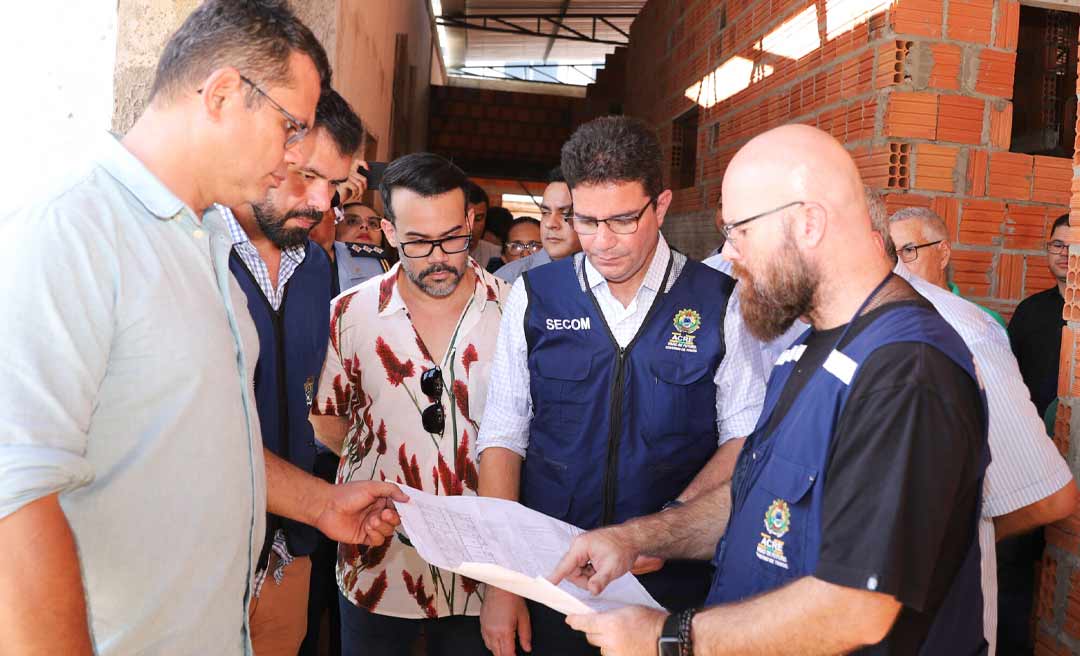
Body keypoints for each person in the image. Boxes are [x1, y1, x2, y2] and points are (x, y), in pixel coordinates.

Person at [0, 2, 403, 654]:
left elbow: (207, 439)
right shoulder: (69, 229)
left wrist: (320, 505)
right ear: (221, 94)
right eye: (290, 125)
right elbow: (13, 506)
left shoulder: (207, 241)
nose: (295, 152)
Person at [551, 124, 989, 654]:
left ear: (808, 223)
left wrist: (666, 637)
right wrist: (636, 538)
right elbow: (751, 503)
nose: (729, 254)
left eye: (740, 231)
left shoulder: (906, 372)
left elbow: (855, 608)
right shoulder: (805, 348)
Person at [476, 116, 765, 656]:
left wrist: (664, 527)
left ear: (662, 205)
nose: (601, 243)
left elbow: (743, 438)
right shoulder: (536, 296)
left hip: (669, 587)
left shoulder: (720, 303)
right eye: (585, 221)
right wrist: (503, 583)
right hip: (553, 579)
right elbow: (503, 436)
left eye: (623, 220)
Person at [862, 189, 1079, 655]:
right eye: (893, 252)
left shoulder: (973, 329)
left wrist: (975, 535)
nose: (899, 264)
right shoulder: (1029, 313)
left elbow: (1036, 483)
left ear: (943, 251)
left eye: (909, 252)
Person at [310, 152, 509, 656]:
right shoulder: (348, 315)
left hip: (483, 569)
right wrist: (388, 453)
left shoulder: (514, 311)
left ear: (469, 223)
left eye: (452, 237)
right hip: (375, 558)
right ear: (389, 231)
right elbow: (327, 420)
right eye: (419, 242)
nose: (439, 257)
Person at [215, 87, 363, 656]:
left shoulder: (316, 269)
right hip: (206, 555)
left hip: (288, 553)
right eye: (306, 176)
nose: (322, 202)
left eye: (336, 186)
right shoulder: (195, 255)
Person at [889, 206, 1006, 327]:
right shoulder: (882, 318)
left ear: (943, 254)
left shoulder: (984, 322)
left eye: (908, 250)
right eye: (891, 254)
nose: (898, 265)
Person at [1010, 213, 1070, 419]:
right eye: (1058, 244)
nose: (1064, 253)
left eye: (1073, 246)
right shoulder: (1029, 310)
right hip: (1033, 436)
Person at [495, 167, 580, 283]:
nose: (550, 223)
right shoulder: (508, 279)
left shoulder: (607, 275)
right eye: (545, 212)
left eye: (564, 213)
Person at [332, 202, 392, 295]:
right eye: (352, 221)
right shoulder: (324, 257)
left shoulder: (397, 271)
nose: (365, 226)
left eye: (372, 223)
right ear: (334, 228)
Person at [466, 180, 502, 269]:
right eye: (465, 218)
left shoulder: (497, 254)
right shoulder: (436, 254)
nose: (472, 227)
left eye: (478, 219)